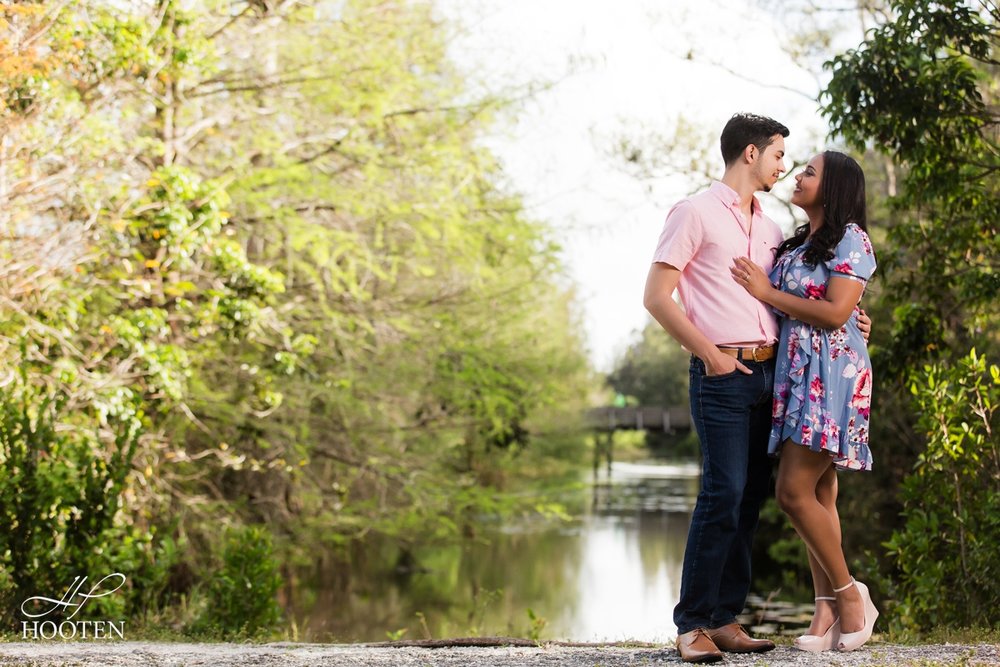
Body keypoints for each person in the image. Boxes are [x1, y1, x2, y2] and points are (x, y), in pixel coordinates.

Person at [643, 114, 872, 663]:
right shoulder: (693, 212)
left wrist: (855, 321)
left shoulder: (772, 229)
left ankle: (724, 617)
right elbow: (656, 297)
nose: (784, 166)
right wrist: (709, 355)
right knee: (721, 494)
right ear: (751, 153)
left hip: (779, 377)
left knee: (748, 501)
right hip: (723, 373)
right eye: (778, 155)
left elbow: (811, 295)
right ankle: (692, 622)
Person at [730, 150, 879, 653]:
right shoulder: (800, 244)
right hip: (799, 374)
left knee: (793, 493)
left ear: (833, 187)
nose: (798, 176)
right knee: (821, 493)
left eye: (809, 172)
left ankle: (850, 595)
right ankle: (824, 612)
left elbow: (837, 313)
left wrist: (767, 292)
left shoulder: (852, 239)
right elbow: (839, 307)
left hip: (833, 375)